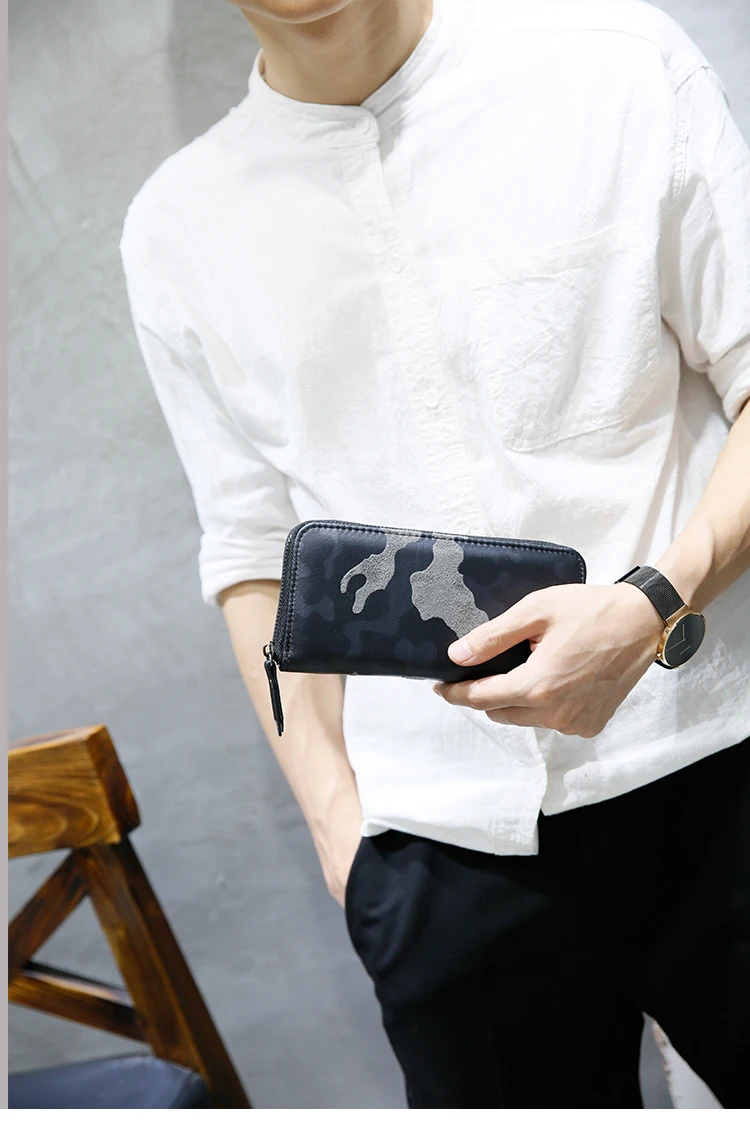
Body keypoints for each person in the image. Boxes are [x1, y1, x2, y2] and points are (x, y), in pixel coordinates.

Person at [120, 0, 750, 1109]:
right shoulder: (177, 227)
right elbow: (253, 547)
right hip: (438, 840)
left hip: (717, 748)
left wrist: (653, 598)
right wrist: (337, 820)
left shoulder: (613, 64)